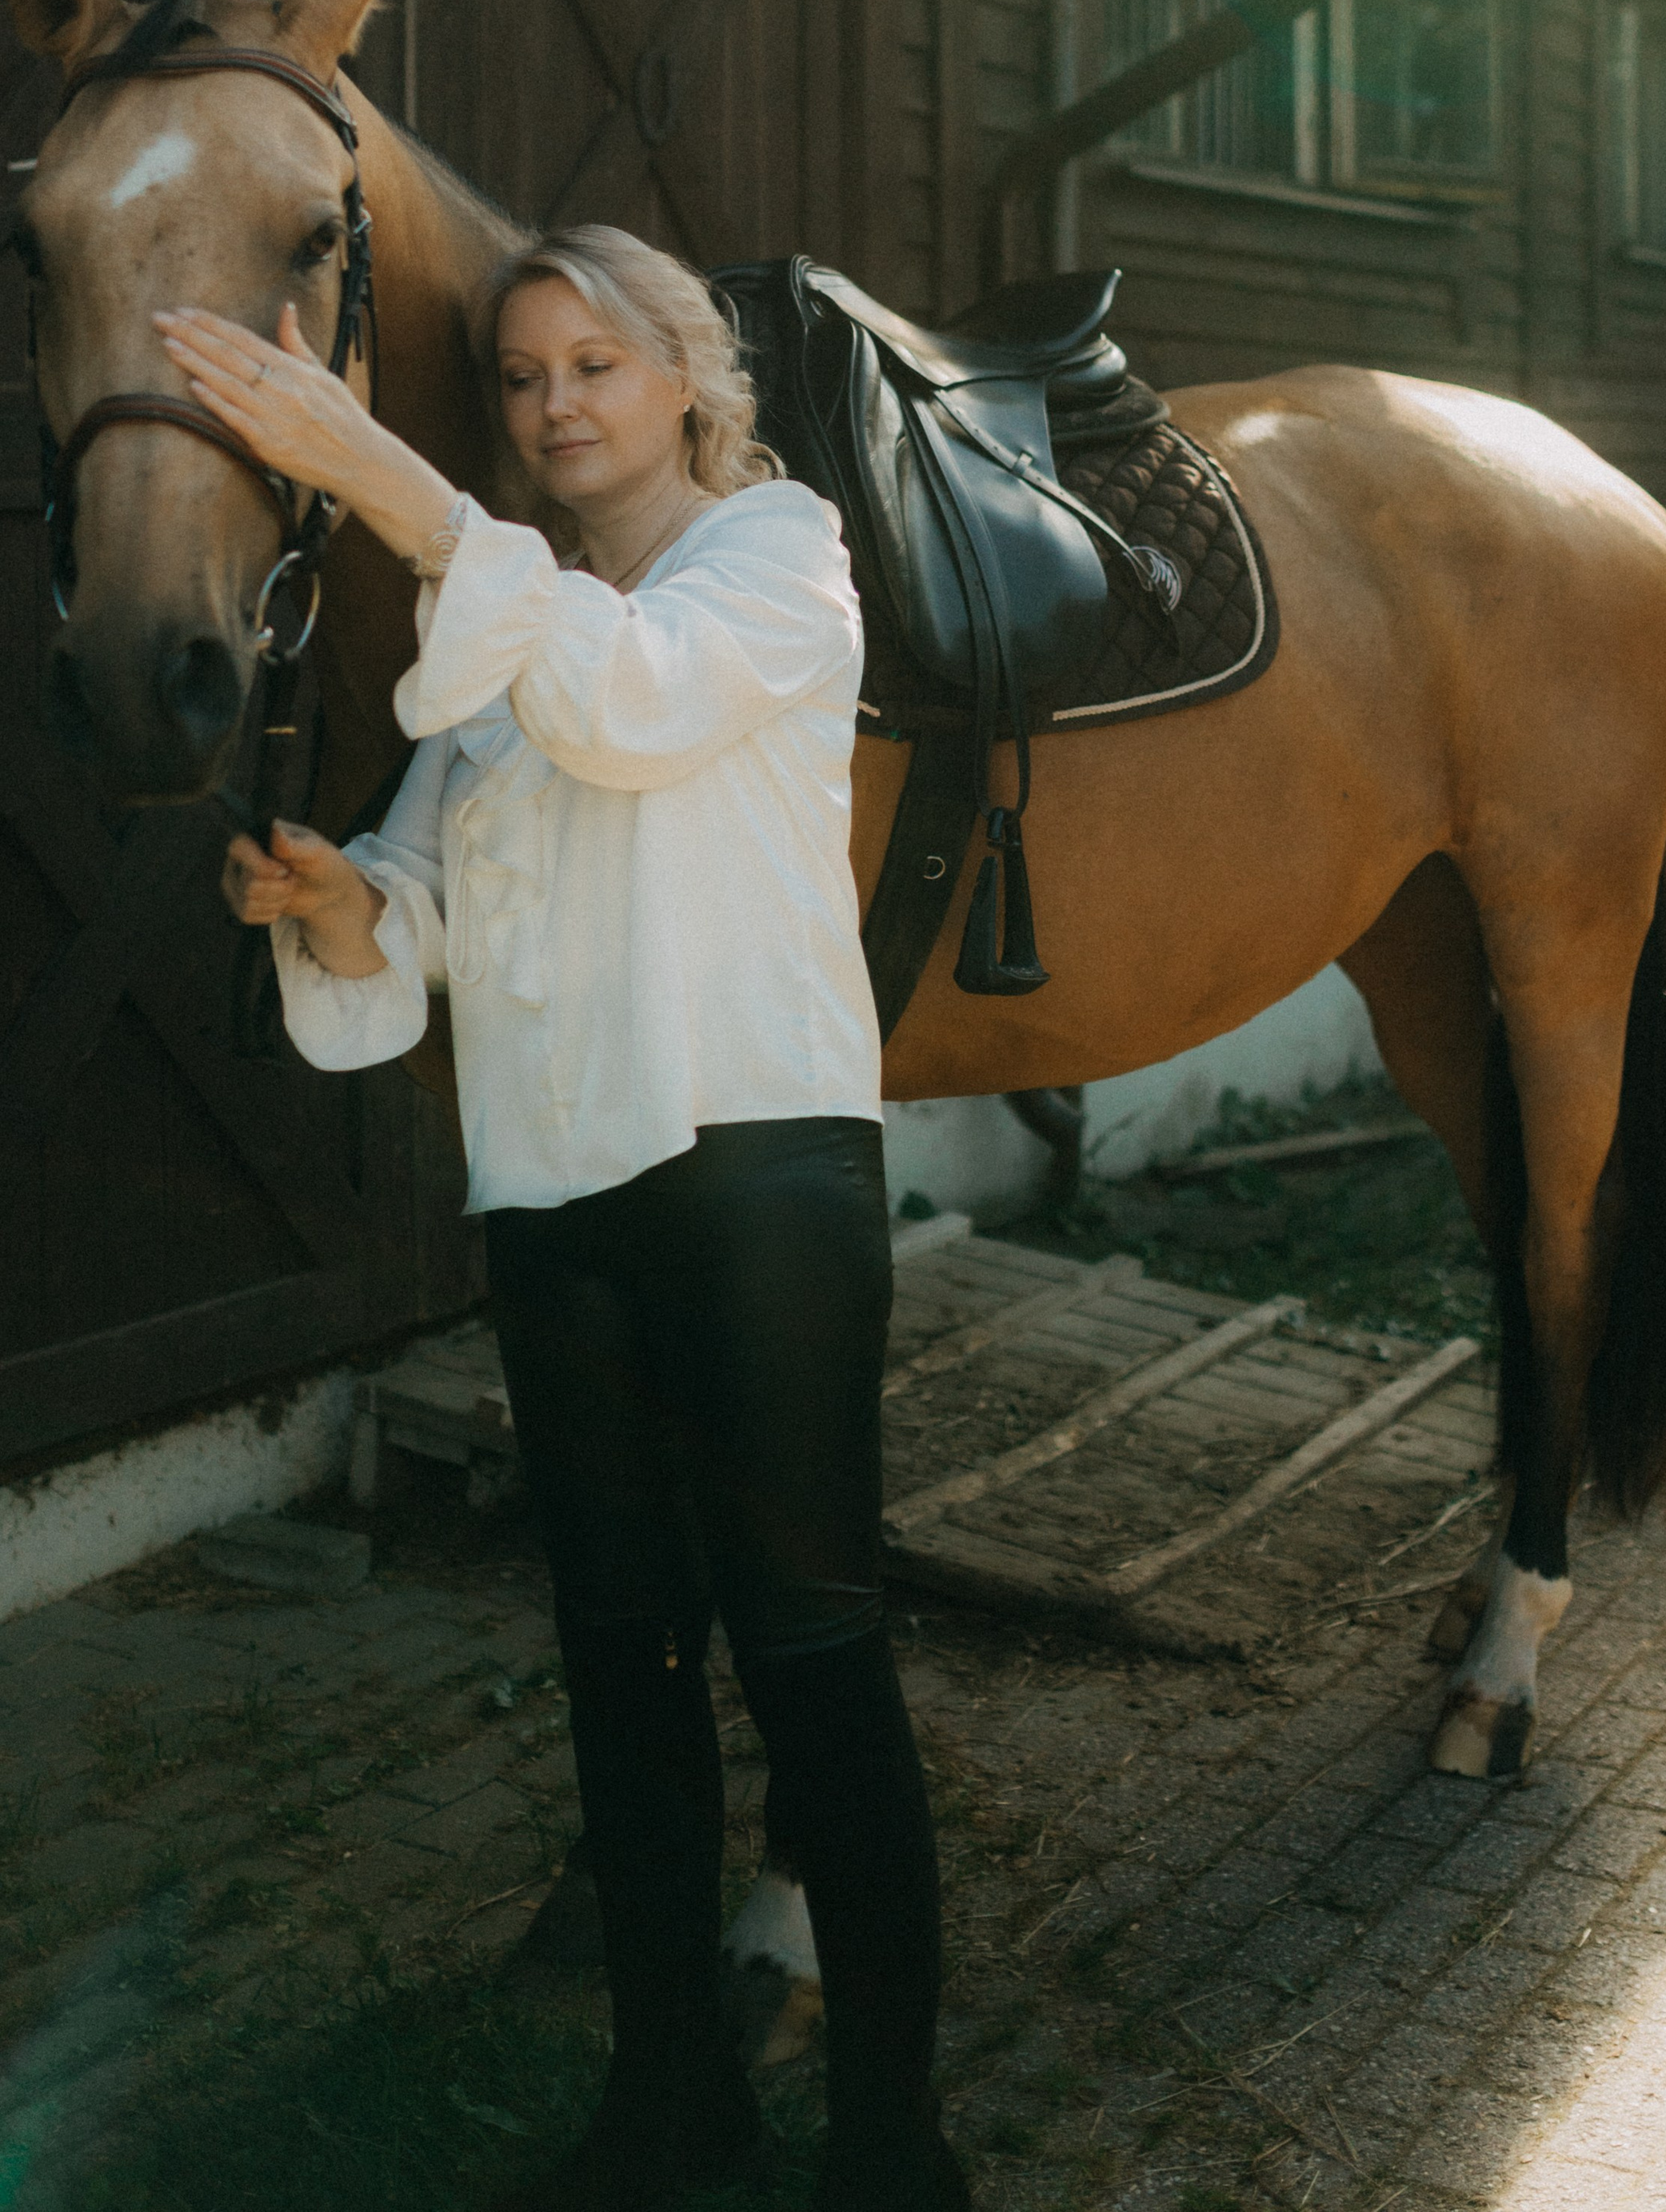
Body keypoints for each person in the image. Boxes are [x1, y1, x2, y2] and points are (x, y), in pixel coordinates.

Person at [170, 226, 969, 2212]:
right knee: (623, 1661)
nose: (552, 408)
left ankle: (890, 2149)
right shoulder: (495, 637)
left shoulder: (770, 564)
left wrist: (392, 485)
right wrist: (337, 906)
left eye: (592, 365)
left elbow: (629, 712)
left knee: (810, 1654)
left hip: (753, 1174)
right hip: (559, 1195)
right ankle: (672, 2104)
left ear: (687, 375)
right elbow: (424, 903)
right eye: (520, 379)